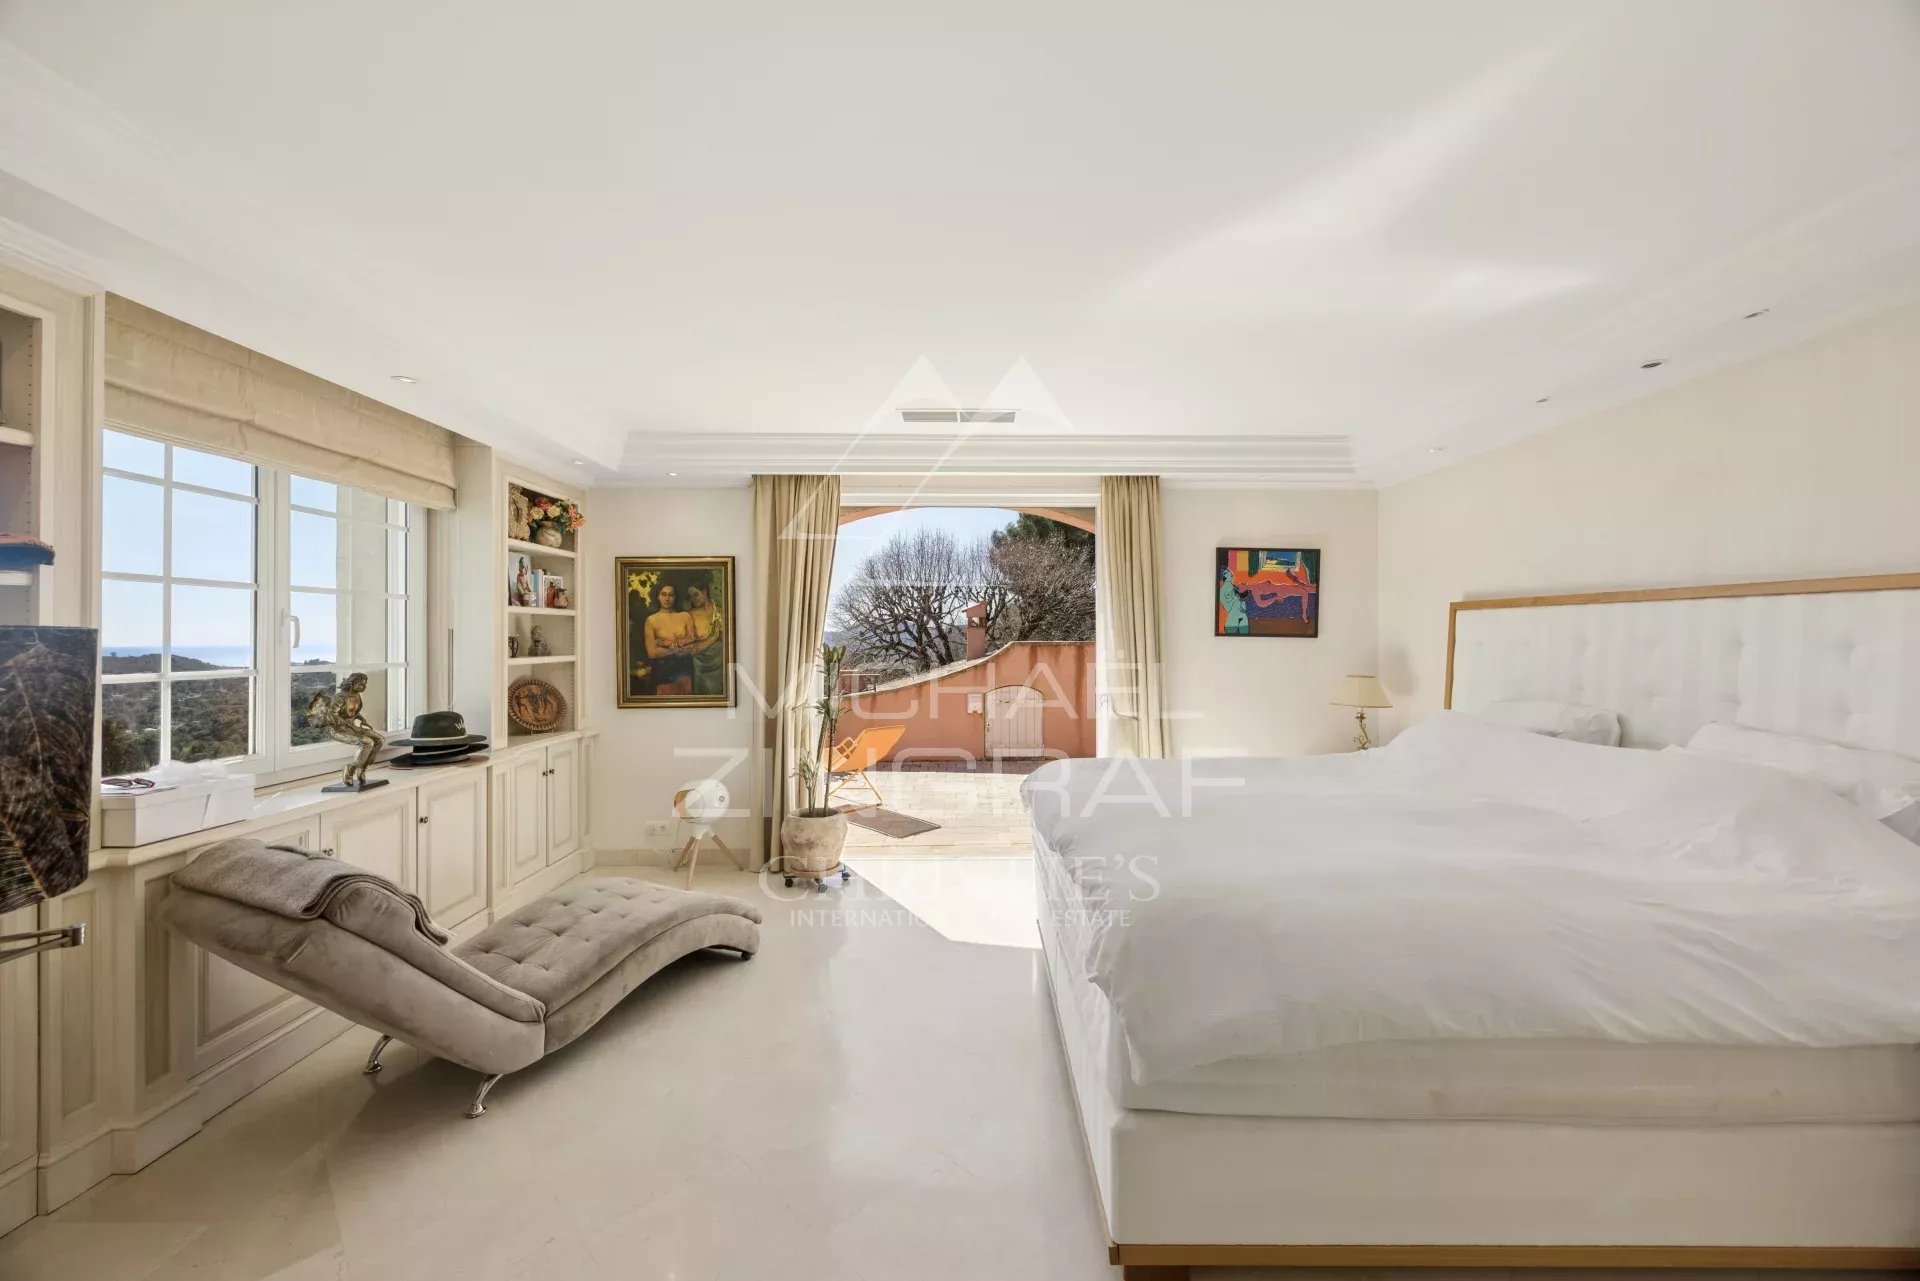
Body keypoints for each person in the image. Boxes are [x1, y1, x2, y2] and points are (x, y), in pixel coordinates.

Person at [643, 581, 696, 695]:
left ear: (675, 597)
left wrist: (664, 644)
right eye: (663, 594)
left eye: (671, 595)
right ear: (658, 596)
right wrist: (676, 647)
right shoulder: (651, 620)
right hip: (662, 673)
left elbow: (692, 645)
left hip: (684, 672)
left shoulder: (685, 616)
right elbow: (652, 652)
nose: (667, 598)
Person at [683, 577, 727, 697]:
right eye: (691, 596)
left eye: (696, 594)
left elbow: (730, 644)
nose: (693, 599)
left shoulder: (720, 612)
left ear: (705, 592)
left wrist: (723, 633)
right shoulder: (689, 616)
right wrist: (714, 636)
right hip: (701, 669)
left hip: (720, 667)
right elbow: (692, 649)